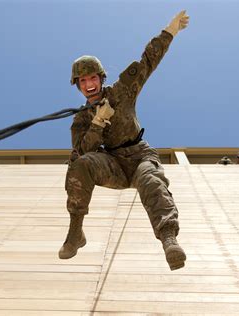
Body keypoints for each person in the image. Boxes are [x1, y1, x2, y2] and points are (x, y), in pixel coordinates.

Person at [58, 11, 190, 271]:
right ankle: (76, 232)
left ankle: (168, 239)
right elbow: (83, 150)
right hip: (113, 165)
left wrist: (170, 31)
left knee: (151, 180)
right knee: (79, 164)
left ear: (101, 78)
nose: (89, 84)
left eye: (92, 78)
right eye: (83, 81)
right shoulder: (81, 119)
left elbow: (147, 62)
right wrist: (97, 124)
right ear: (78, 86)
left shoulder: (120, 93)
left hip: (140, 155)